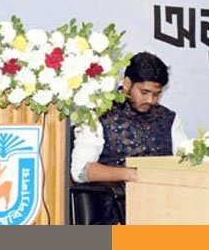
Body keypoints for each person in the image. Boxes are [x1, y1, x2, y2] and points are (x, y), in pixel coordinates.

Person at [70, 52, 188, 224]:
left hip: (165, 208)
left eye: (156, 94)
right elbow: (80, 171)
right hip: (116, 213)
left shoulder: (168, 118)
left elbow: (185, 162)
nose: (150, 100)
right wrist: (131, 175)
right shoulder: (98, 114)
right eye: (144, 92)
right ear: (127, 83)